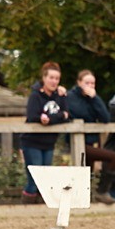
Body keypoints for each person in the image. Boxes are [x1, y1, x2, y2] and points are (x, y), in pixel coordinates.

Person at [66, 69, 115, 204]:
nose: (90, 86)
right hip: (77, 142)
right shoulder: (70, 97)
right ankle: (101, 192)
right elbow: (79, 113)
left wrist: (95, 98)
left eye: (92, 83)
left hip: (91, 142)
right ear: (79, 83)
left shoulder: (93, 99)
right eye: (87, 83)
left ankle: (90, 197)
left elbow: (105, 118)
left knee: (87, 173)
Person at [21, 61, 70, 203]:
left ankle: (41, 209)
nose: (54, 81)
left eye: (57, 78)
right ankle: (27, 207)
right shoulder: (35, 95)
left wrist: (50, 118)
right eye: (51, 78)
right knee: (35, 179)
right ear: (44, 78)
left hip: (49, 143)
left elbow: (66, 115)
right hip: (32, 142)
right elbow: (33, 116)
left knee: (45, 179)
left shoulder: (60, 95)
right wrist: (55, 117)